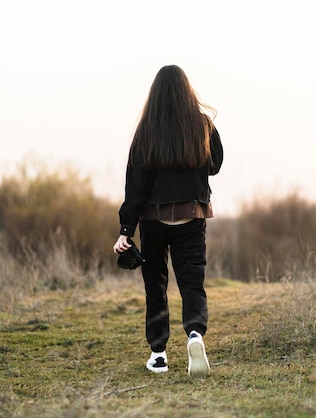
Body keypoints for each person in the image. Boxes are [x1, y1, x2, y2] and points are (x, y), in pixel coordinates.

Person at [113, 65, 223, 378]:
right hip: (191, 216)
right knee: (192, 282)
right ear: (187, 91)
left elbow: (135, 184)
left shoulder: (147, 129)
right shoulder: (202, 125)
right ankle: (194, 335)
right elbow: (214, 165)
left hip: (153, 220)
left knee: (156, 285)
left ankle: (159, 355)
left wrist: (125, 229)